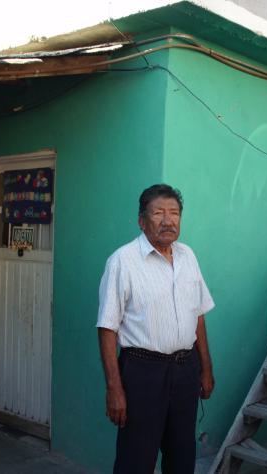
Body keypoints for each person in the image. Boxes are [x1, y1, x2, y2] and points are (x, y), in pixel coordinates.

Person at [97, 184, 215, 474]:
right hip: (142, 372)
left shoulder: (188, 256)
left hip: (186, 369)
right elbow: (107, 328)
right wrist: (114, 388)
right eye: (158, 213)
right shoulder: (123, 261)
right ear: (142, 221)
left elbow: (198, 315)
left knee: (182, 455)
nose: (168, 220)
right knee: (136, 459)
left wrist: (206, 368)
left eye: (174, 213)